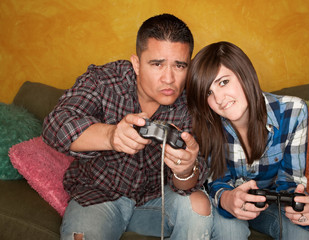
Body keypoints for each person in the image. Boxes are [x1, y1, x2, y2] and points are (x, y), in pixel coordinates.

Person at [43, 14, 212, 240]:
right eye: (157, 64)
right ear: (136, 64)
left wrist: (185, 171)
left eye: (179, 66)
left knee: (199, 204)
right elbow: (55, 125)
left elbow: (192, 180)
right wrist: (111, 135)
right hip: (98, 196)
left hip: (157, 200)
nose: (169, 79)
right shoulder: (104, 81)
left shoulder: (194, 100)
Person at [186, 41, 309, 240]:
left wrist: (300, 206)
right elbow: (217, 182)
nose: (220, 99)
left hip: (272, 204)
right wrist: (227, 198)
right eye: (208, 92)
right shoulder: (206, 122)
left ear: (244, 73)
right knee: (230, 232)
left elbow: (290, 181)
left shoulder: (294, 112)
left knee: (301, 233)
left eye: (223, 82)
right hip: (229, 204)